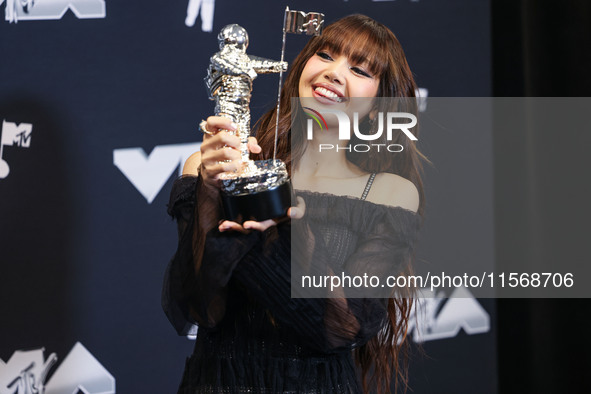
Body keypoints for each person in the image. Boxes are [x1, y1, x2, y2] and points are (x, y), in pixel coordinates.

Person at [163, 14, 425, 394]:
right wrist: (210, 189)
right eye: (324, 54)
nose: (334, 73)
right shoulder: (215, 166)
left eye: (359, 69)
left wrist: (294, 237)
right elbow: (199, 308)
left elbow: (343, 329)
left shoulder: (388, 193)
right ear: (301, 65)